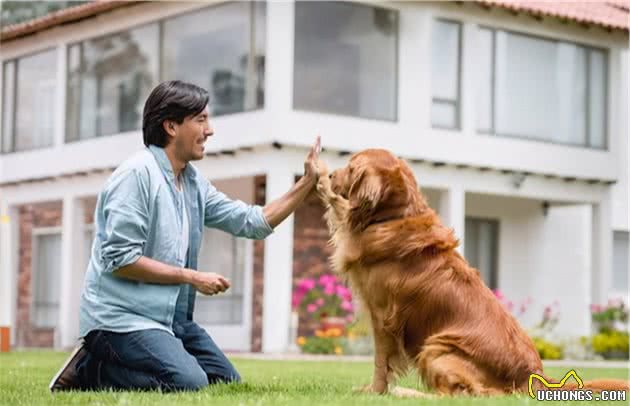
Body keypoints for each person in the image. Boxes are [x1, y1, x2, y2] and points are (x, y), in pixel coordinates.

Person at [49, 80, 321, 392]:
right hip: (119, 320)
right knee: (187, 382)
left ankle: (109, 364)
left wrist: (306, 183)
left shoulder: (192, 184)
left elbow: (251, 221)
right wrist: (190, 277)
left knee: (224, 382)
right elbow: (120, 260)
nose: (211, 130)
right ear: (171, 126)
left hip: (170, 321)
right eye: (201, 120)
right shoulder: (136, 176)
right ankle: (91, 370)